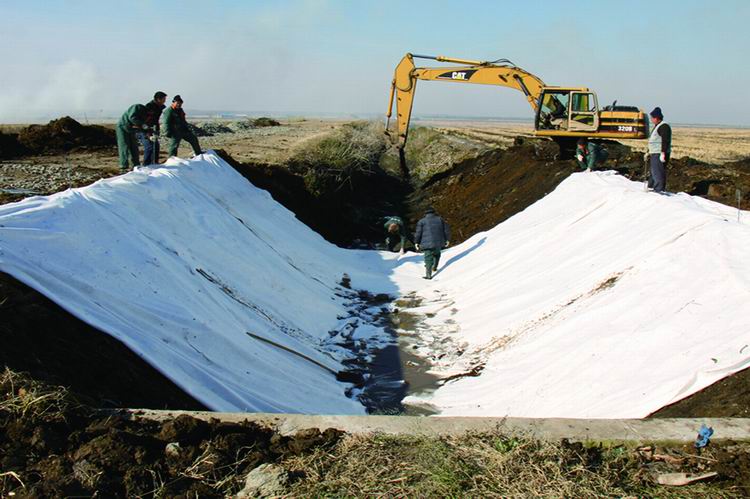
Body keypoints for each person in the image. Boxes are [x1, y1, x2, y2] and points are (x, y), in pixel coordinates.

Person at [414, 207, 450, 280]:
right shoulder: (440, 219)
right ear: (434, 212)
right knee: (437, 254)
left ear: (425, 213)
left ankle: (428, 275)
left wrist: (416, 242)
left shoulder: (422, 221)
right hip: (438, 242)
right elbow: (446, 230)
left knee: (428, 258)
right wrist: (447, 239)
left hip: (426, 244)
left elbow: (418, 233)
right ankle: (435, 267)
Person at [116, 103, 148, 173]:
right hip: (123, 127)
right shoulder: (137, 107)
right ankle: (123, 167)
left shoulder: (146, 114)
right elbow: (132, 118)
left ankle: (136, 165)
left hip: (131, 129)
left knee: (134, 147)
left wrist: (146, 130)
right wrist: (142, 125)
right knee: (124, 147)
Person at [647, 107, 671, 193]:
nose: (651, 120)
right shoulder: (657, 126)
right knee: (654, 172)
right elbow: (653, 141)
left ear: (656, 118)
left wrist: (663, 153)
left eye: (652, 118)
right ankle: (651, 187)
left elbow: (665, 140)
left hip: (659, 154)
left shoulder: (664, 126)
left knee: (658, 172)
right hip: (654, 153)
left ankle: (659, 191)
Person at [139, 91, 167, 165]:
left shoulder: (159, 108)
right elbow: (147, 121)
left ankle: (155, 164)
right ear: (158, 99)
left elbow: (155, 121)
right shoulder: (149, 107)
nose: (165, 101)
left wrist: (157, 131)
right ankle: (146, 165)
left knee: (156, 146)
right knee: (149, 146)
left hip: (153, 129)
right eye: (164, 99)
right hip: (145, 130)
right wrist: (148, 132)